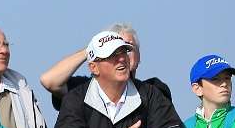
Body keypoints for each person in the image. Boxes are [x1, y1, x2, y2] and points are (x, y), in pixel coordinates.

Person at [55, 30, 187, 128]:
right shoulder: (75, 98)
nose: (122, 58)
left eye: (124, 51)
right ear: (94, 67)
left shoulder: (151, 94)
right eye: (112, 55)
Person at [40, 22, 172, 110]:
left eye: (127, 48)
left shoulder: (153, 91)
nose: (122, 57)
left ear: (139, 55)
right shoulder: (85, 91)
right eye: (114, 51)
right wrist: (92, 49)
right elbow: (49, 80)